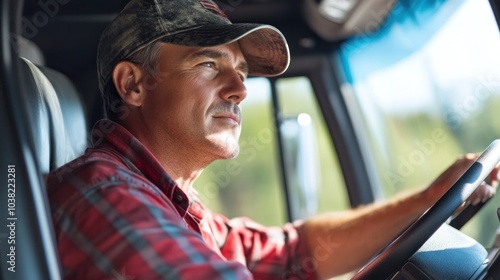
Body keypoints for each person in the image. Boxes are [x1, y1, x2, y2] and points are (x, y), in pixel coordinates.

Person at [46, 0, 499, 279]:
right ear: (133, 85)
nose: (240, 90)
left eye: (240, 73)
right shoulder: (102, 192)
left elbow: (293, 254)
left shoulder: (172, 202)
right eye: (209, 64)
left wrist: (429, 198)